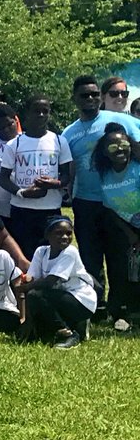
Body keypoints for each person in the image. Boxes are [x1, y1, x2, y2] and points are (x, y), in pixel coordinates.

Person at [61, 74, 140, 309]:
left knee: (119, 255)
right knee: (90, 257)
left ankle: (121, 305)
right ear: (74, 98)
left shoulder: (120, 121)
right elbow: (69, 170)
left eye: (95, 94)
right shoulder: (68, 134)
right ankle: (95, 304)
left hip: (118, 204)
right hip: (85, 202)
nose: (91, 99)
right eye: (85, 95)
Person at [0, 93, 73, 258]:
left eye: (45, 111)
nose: (41, 115)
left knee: (51, 255)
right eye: (36, 111)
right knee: (23, 256)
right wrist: (22, 193)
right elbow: (3, 179)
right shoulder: (14, 144)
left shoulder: (59, 141)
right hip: (21, 210)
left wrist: (54, 184)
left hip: (50, 209)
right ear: (26, 114)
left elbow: (67, 176)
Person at [18, 216, 96, 349]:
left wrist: (23, 288)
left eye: (69, 233)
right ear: (47, 235)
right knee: (40, 334)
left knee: (37, 294)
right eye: (59, 233)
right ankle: (74, 327)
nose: (65, 237)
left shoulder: (70, 252)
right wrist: (27, 320)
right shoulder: (41, 252)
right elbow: (32, 279)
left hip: (81, 300)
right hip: (59, 297)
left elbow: (49, 282)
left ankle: (68, 334)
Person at [92, 125, 140, 329]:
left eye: (123, 144)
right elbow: (110, 210)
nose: (119, 150)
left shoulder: (137, 169)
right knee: (128, 270)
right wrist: (131, 236)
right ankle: (128, 312)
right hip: (127, 228)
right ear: (104, 152)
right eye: (113, 147)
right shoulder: (104, 176)